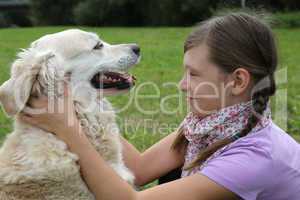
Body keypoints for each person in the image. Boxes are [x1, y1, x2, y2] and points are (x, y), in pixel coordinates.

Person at [20, 13, 300, 200]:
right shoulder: (216, 124)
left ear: (237, 81)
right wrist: (84, 99)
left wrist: (70, 130)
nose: (181, 85)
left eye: (193, 74)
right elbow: (140, 169)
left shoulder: (255, 158)